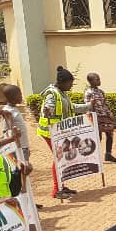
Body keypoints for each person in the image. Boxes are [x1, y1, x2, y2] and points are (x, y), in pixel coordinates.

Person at [37, 66, 91, 199]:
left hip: (59, 132)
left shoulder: (62, 93)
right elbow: (48, 107)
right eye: (70, 83)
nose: (71, 86)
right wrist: (47, 110)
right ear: (62, 82)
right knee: (59, 159)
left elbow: (72, 108)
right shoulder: (52, 93)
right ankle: (56, 190)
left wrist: (88, 106)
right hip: (50, 132)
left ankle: (61, 186)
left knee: (62, 159)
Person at [82, 73, 116, 163]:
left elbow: (104, 104)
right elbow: (87, 107)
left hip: (104, 116)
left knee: (110, 134)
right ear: (91, 81)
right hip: (95, 117)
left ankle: (108, 154)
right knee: (98, 137)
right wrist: (91, 107)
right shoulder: (88, 93)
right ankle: (94, 157)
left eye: (99, 79)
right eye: (97, 79)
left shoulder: (101, 92)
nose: (99, 81)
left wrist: (110, 114)